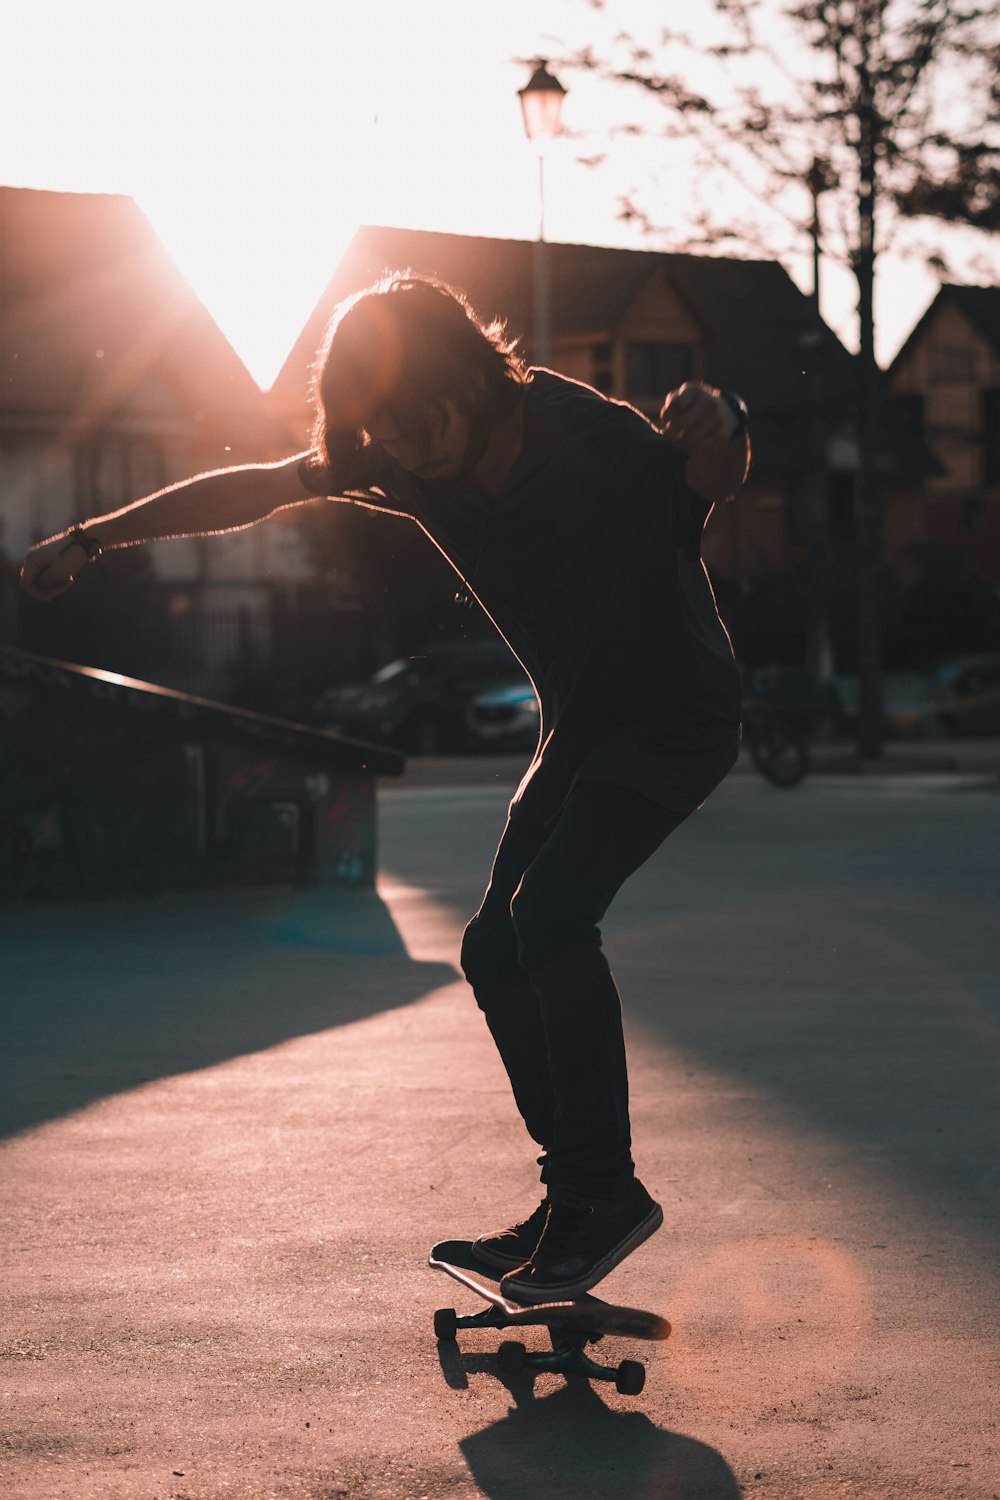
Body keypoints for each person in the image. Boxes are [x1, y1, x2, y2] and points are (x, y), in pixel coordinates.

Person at [21, 274, 749, 1303]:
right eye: (383, 435)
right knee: (493, 947)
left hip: (675, 719)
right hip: (582, 728)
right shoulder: (404, 462)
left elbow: (710, 477)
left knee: (549, 918)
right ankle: (575, 1197)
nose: (406, 452)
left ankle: (603, 1195)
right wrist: (95, 536)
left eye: (416, 424)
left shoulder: (586, 432)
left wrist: (727, 422)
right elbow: (262, 486)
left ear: (466, 378)